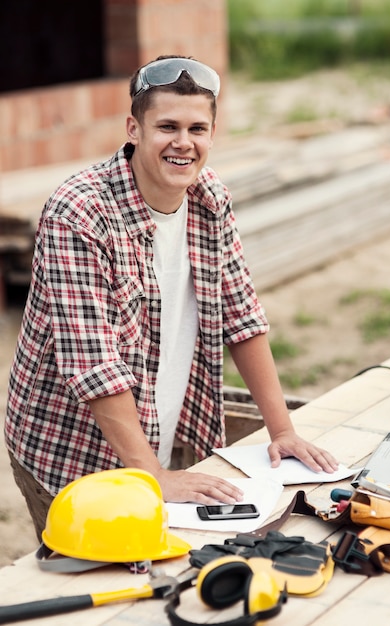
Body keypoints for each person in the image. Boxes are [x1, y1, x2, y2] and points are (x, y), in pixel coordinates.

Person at [5, 55, 338, 541]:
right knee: (104, 597)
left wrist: (282, 432)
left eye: (197, 128)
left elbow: (242, 317)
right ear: (133, 128)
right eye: (167, 126)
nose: (184, 143)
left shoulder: (209, 199)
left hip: (168, 435)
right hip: (74, 453)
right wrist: (151, 477)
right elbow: (93, 363)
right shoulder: (78, 213)